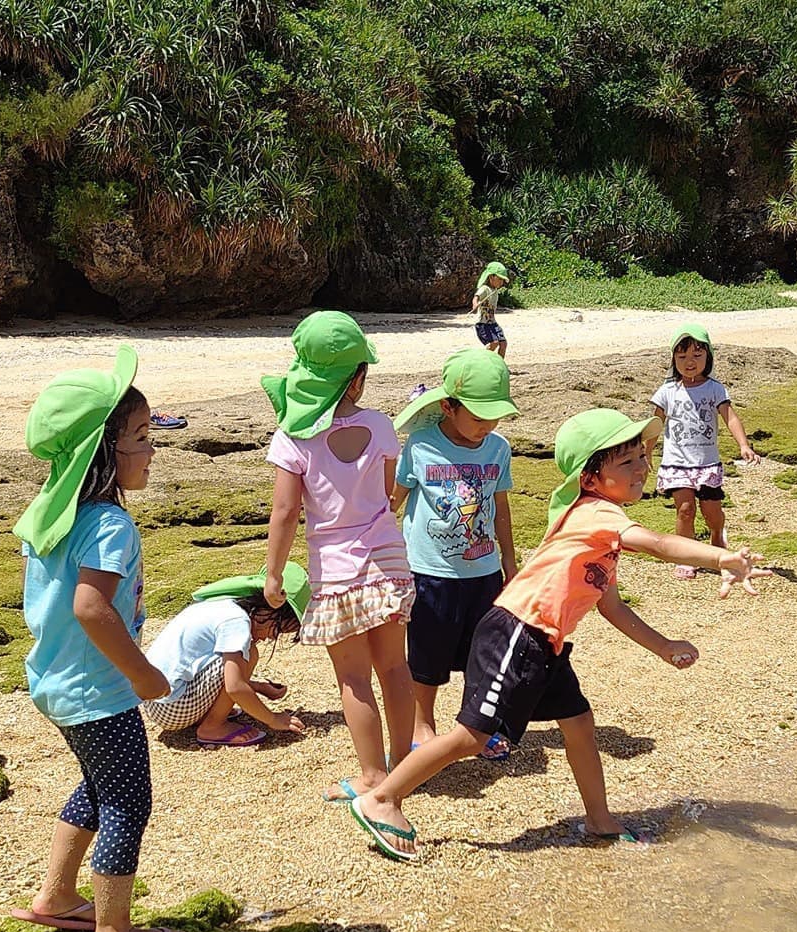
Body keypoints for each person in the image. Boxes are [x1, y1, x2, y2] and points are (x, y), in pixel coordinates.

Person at [347, 409, 765, 862]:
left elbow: (612, 606)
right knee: (472, 735)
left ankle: (599, 818)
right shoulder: (597, 514)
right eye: (626, 463)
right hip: (516, 632)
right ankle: (384, 798)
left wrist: (663, 646)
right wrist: (720, 558)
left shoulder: (603, 531)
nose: (642, 467)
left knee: (580, 723)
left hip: (547, 642)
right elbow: (659, 544)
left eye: (642, 456)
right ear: (591, 477)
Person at [6, 346, 196, 932]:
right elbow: (92, 607)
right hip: (98, 688)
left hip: (55, 681)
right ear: (103, 451)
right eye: (141, 437)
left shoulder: (53, 514)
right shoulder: (110, 523)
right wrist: (142, 671)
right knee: (127, 800)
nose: (151, 448)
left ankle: (59, 896)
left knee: (98, 784)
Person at [260, 311, 416, 804]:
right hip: (389, 561)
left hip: (338, 572)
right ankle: (405, 766)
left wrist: (273, 573)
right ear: (358, 378)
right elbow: (390, 492)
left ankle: (372, 777)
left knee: (353, 677)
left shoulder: (294, 437)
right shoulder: (381, 425)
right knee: (395, 667)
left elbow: (285, 513)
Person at [392, 348, 521, 762]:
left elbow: (501, 510)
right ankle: (422, 723)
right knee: (427, 654)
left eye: (493, 416)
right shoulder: (420, 445)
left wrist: (511, 563)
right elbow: (395, 499)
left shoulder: (497, 448)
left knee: (483, 654)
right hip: (429, 572)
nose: (486, 426)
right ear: (448, 406)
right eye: (478, 416)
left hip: (482, 572)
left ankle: (476, 726)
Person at [142, 563, 311, 747]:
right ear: (268, 609)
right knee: (249, 653)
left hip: (156, 699)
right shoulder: (237, 620)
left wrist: (257, 687)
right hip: (172, 706)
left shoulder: (223, 604)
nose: (270, 637)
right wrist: (272, 719)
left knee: (239, 657)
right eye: (276, 629)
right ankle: (213, 726)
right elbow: (235, 687)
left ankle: (209, 714)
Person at [650, 324, 761, 579]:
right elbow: (655, 425)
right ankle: (686, 556)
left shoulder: (715, 389)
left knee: (712, 512)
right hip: (676, 463)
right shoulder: (667, 391)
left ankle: (717, 543)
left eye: (697, 356)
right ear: (673, 359)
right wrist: (644, 454)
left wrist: (744, 445)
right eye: (682, 357)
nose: (690, 362)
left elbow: (730, 418)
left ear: (708, 357)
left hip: (707, 464)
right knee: (685, 510)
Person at [470, 262, 511, 358]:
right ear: (491, 277)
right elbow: (476, 297)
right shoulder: (485, 289)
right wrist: (475, 305)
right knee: (494, 343)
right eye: (499, 279)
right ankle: (481, 360)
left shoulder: (495, 291)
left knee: (503, 343)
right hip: (483, 324)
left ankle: (499, 365)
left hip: (492, 323)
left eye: (503, 280)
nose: (501, 282)